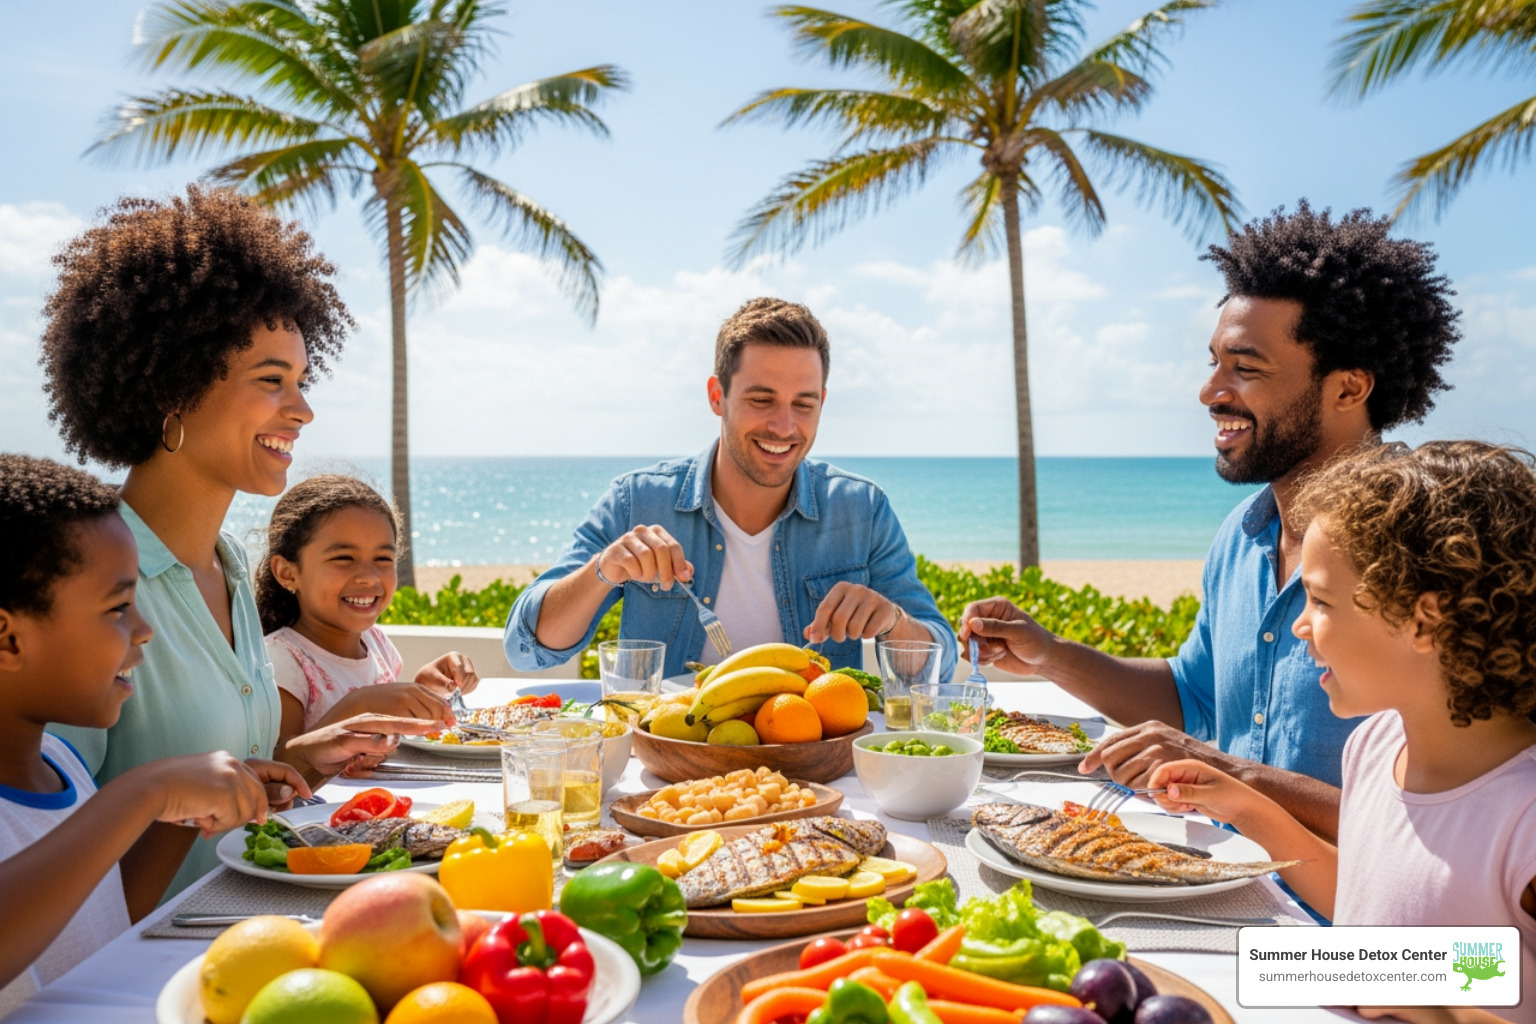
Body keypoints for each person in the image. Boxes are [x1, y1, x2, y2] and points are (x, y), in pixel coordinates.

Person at [961, 203, 1462, 840]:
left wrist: (1231, 776)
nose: (1210, 392)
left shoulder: (1434, 548)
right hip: (1225, 872)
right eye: (1215, 363)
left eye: (1245, 368)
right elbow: (1194, 697)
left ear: (1348, 389)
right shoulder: (1244, 533)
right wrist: (1052, 657)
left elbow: (1454, 820)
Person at [39, 187, 449, 898]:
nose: (303, 409)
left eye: (301, 380)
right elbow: (45, 868)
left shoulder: (228, 565)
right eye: (272, 381)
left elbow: (222, 798)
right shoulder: (82, 582)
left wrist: (306, 756)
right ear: (173, 387)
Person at [1149, 441, 1536, 1024]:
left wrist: (1433, 1006)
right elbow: (1367, 907)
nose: (1300, 626)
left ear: (1423, 621)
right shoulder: (1375, 745)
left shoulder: (1524, 818)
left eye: (1322, 601)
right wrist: (1246, 807)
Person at [0, 454, 310, 1015]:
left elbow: (104, 917)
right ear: (8, 638)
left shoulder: (58, 763)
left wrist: (184, 814)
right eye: (118, 608)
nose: (143, 630)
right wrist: (143, 793)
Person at [505, 297, 957, 680]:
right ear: (717, 396)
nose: (784, 426)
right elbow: (527, 648)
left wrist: (892, 621)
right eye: (762, 400)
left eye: (803, 404)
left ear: (822, 402)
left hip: (811, 749)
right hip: (667, 749)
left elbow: (939, 663)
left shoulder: (862, 510)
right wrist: (603, 570)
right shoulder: (637, 500)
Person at [255, 474, 480, 745]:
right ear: (287, 573)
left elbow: (385, 737)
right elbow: (280, 761)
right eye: (344, 558)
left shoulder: (376, 642)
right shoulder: (281, 663)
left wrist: (421, 690)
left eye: (383, 558)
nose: (369, 577)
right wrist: (360, 705)